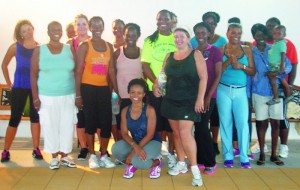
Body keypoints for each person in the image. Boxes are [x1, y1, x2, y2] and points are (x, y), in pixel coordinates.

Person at [153, 26, 207, 186]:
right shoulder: (169, 56)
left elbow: (204, 77)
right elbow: (163, 75)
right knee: (176, 133)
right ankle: (181, 164)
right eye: (176, 37)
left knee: (185, 133)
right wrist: (157, 86)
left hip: (189, 101)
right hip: (170, 100)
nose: (178, 39)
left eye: (182, 36)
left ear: (188, 38)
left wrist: (200, 99)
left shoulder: (195, 54)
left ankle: (195, 170)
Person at [31, 21, 77, 170]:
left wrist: (78, 95)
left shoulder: (69, 49)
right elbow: (33, 74)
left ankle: (64, 156)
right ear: (48, 32)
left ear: (62, 32)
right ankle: (53, 157)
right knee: (50, 126)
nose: (56, 32)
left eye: (58, 29)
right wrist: (35, 97)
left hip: (68, 94)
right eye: (53, 29)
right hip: (47, 95)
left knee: (67, 126)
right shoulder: (40, 50)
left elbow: (77, 72)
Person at [75, 16, 118, 169]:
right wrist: (78, 94)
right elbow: (78, 70)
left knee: (106, 122)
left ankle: (104, 154)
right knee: (90, 122)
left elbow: (111, 69)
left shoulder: (108, 46)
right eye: (93, 25)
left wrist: (116, 90)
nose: (96, 28)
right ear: (90, 28)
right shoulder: (84, 45)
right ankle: (92, 155)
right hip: (87, 88)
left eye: (99, 25)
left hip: (104, 89)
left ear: (103, 27)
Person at [1, 19, 43, 162]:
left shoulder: (40, 48)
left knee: (35, 117)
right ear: (20, 34)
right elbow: (4, 64)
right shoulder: (15, 47)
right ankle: (5, 150)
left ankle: (36, 149)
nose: (27, 32)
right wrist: (8, 83)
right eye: (24, 31)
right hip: (19, 87)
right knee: (14, 119)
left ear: (33, 28)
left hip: (35, 89)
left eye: (29, 29)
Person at [141, 9, 177, 168]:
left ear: (171, 21)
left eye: (165, 18)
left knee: (172, 124)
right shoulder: (150, 40)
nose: (162, 21)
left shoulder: (177, 38)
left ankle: (171, 154)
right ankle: (158, 154)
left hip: (174, 89)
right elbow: (145, 64)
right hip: (154, 89)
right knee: (158, 124)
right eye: (159, 18)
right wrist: (156, 82)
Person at [217, 23, 255, 169]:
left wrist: (241, 66)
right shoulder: (221, 50)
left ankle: (244, 157)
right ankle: (228, 156)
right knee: (225, 123)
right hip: (223, 90)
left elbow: (252, 71)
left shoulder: (247, 50)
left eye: (239, 33)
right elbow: (217, 71)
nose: (236, 36)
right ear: (227, 33)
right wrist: (228, 62)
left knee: (243, 124)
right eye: (233, 32)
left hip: (240, 91)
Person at [251, 23, 289, 166]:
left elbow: (288, 64)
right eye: (257, 35)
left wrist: (278, 72)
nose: (260, 37)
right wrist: (249, 95)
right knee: (261, 123)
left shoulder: (274, 48)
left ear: (267, 36)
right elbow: (249, 74)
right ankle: (261, 154)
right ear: (254, 36)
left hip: (275, 92)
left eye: (263, 34)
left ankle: (273, 155)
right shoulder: (251, 52)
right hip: (259, 92)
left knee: (275, 123)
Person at [112, 78, 162, 179]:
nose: (135, 96)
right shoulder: (125, 110)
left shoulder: (149, 110)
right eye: (132, 92)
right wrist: (135, 147)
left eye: (139, 93)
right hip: (136, 142)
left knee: (137, 160)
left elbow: (150, 135)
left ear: (144, 94)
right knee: (116, 149)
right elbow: (124, 133)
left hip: (152, 142)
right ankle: (133, 162)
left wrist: (134, 152)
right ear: (128, 93)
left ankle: (156, 162)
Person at [192, 22, 222, 175]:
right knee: (198, 128)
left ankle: (210, 162)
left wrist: (208, 96)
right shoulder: (194, 51)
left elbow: (218, 75)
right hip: (195, 97)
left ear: (209, 34)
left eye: (203, 33)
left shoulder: (215, 51)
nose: (200, 36)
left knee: (203, 127)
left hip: (209, 96)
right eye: (197, 33)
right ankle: (199, 159)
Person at [114, 23, 143, 141]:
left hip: (138, 98)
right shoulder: (117, 53)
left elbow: (145, 74)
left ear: (138, 36)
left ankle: (138, 152)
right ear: (123, 35)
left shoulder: (143, 53)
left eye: (133, 35)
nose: (130, 37)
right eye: (127, 35)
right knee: (121, 127)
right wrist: (115, 94)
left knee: (138, 126)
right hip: (121, 97)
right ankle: (123, 154)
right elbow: (111, 73)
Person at [67, 13, 90, 161]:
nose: (81, 27)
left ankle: (99, 148)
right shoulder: (70, 43)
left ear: (88, 26)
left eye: (84, 24)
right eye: (79, 24)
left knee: (93, 117)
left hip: (92, 83)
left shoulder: (93, 41)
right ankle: (83, 147)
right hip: (76, 84)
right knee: (80, 117)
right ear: (75, 27)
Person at [266, 25, 292, 105]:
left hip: (277, 65)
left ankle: (277, 97)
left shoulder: (281, 44)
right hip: (275, 65)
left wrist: (282, 67)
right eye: (274, 33)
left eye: (279, 34)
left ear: (284, 35)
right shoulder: (276, 43)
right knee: (281, 80)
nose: (276, 35)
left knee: (273, 81)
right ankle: (288, 93)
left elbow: (283, 54)